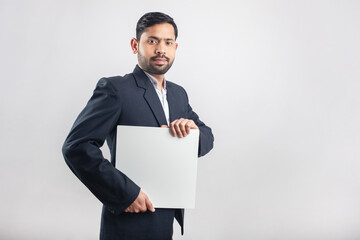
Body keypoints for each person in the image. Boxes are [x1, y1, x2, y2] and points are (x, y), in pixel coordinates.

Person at [62, 12, 214, 240]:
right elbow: (76, 147)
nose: (161, 49)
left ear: (175, 48)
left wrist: (193, 131)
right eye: (152, 41)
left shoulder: (178, 94)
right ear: (135, 45)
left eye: (168, 42)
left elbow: (207, 139)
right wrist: (125, 194)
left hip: (165, 218)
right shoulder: (115, 89)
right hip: (128, 219)